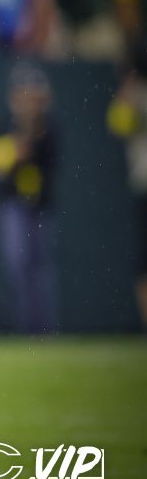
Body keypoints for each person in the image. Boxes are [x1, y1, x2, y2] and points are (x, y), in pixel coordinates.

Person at [0, 63, 60, 333]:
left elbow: (40, 156)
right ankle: (27, 328)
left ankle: (44, 329)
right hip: (12, 204)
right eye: (24, 95)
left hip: (40, 205)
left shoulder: (49, 127)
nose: (28, 102)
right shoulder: (4, 125)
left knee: (41, 268)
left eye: (33, 96)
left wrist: (18, 148)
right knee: (18, 265)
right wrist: (12, 149)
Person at [107, 43, 147, 329]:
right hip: (144, 187)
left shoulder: (136, 95)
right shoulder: (133, 96)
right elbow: (119, 123)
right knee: (142, 263)